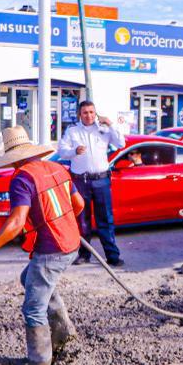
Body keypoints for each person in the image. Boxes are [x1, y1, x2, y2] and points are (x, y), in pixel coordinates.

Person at [0, 126, 85, 365]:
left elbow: (15, 223)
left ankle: (40, 362)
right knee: (30, 278)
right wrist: (62, 223)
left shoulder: (23, 178)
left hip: (52, 250)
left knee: (33, 308)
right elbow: (79, 204)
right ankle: (63, 330)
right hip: (71, 244)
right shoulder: (58, 168)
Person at [57, 101, 125, 267]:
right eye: (85, 112)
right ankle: (83, 254)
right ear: (80, 114)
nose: (89, 115)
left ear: (96, 113)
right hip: (81, 181)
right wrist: (74, 151)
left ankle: (112, 256)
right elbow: (62, 152)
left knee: (106, 219)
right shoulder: (72, 131)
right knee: (82, 220)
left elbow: (121, 144)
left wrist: (110, 123)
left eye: (92, 112)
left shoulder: (104, 129)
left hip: (101, 180)